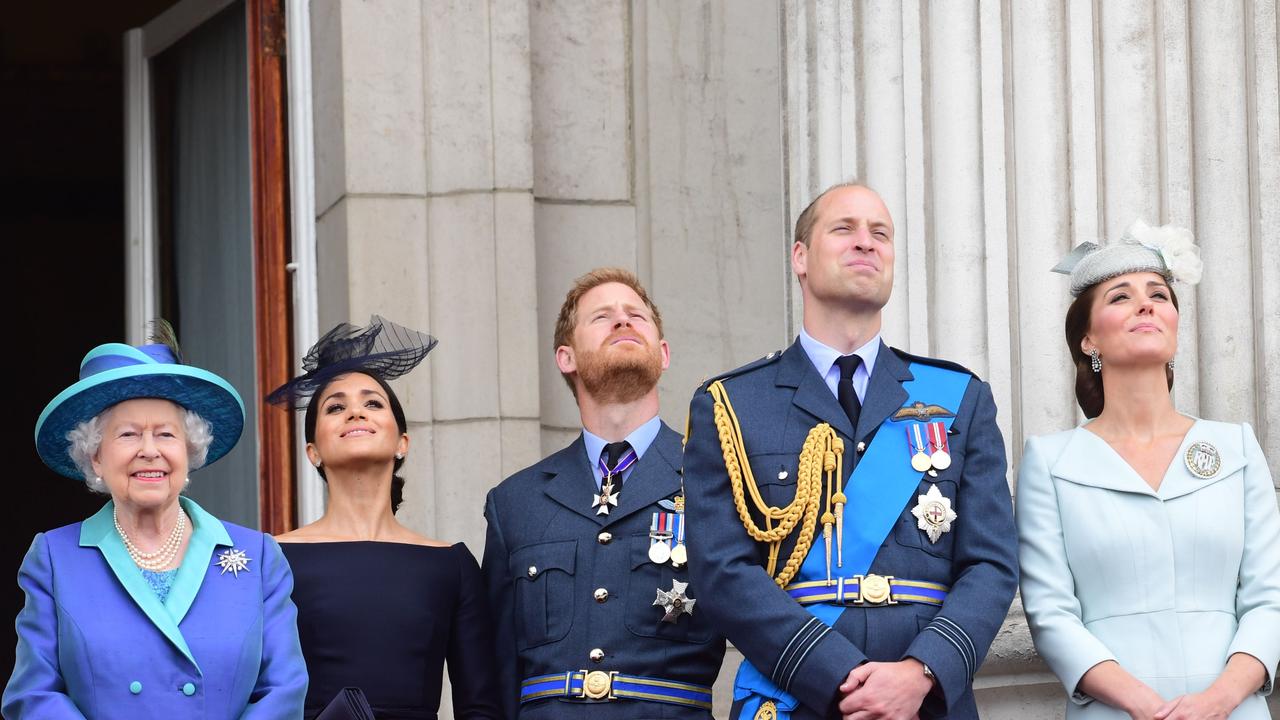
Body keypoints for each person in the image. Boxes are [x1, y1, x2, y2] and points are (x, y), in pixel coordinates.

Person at [682, 183, 1018, 720]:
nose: (867, 242)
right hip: (798, 698)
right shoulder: (732, 404)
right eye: (845, 229)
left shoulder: (958, 397)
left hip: (925, 704)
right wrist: (837, 674)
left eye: (880, 233)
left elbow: (992, 564)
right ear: (800, 257)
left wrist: (921, 672)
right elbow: (722, 571)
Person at [1017, 221, 1280, 719]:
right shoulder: (1051, 463)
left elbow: (1269, 600)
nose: (1145, 304)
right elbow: (1051, 614)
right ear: (1088, 340)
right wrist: (1148, 708)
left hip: (1234, 710)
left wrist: (1216, 703)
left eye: (1158, 294)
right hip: (1115, 712)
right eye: (1120, 296)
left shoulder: (1236, 447)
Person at [4, 327, 307, 719]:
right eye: (128, 435)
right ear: (95, 457)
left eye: (166, 434)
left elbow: (283, 691)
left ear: (189, 450)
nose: (150, 451)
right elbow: (33, 695)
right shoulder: (54, 558)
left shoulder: (259, 556)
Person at [482, 268, 727, 718]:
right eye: (602, 316)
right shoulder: (515, 503)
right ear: (566, 357)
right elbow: (496, 672)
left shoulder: (719, 480)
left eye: (636, 315)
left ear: (664, 353)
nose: (622, 321)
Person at [266, 315, 502, 720]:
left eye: (373, 403)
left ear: (401, 443)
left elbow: (480, 706)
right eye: (335, 407)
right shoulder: (271, 558)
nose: (355, 413)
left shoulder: (453, 564)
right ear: (313, 451)